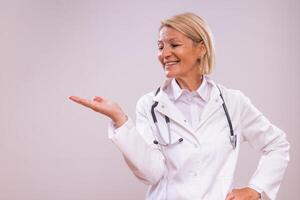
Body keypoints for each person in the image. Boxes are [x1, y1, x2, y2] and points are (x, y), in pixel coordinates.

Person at [69, 12, 290, 200]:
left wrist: (257, 189)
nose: (164, 54)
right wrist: (120, 120)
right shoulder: (150, 105)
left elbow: (277, 145)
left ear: (201, 48)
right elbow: (151, 174)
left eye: (174, 45)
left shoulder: (232, 102)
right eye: (160, 46)